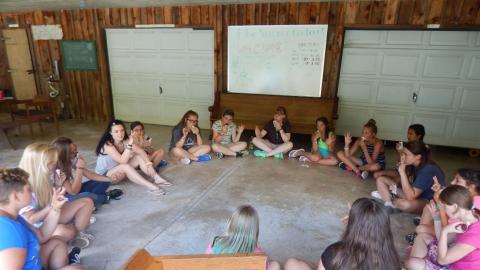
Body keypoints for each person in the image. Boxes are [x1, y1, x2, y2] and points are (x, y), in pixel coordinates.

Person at [0, 168, 86, 269]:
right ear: (15, 196)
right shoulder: (8, 230)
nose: (32, 192)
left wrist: (55, 208)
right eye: (29, 189)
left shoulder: (12, 216)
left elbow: (42, 235)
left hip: (33, 262)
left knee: (57, 243)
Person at [284, 198, 401, 270]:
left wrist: (353, 222)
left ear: (353, 224)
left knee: (292, 264)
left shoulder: (335, 252)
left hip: (334, 261)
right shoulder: (392, 258)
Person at [18, 143, 94, 247]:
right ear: (38, 165)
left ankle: (79, 233)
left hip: (50, 214)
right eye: (51, 163)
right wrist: (52, 207)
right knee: (66, 232)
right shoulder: (22, 187)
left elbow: (51, 199)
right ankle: (71, 229)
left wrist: (58, 185)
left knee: (87, 201)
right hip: (38, 226)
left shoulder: (45, 175)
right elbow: (30, 219)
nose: (55, 165)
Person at [406, 185, 480, 270]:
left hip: (454, 266)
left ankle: (421, 263)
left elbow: (442, 260)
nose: (444, 210)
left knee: (411, 263)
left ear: (455, 207)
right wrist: (436, 217)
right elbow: (444, 239)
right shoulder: (470, 217)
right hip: (451, 256)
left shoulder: (474, 234)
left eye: (445, 207)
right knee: (421, 237)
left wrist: (445, 231)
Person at [95, 120, 171, 196]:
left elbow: (141, 151)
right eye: (116, 131)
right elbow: (123, 161)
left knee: (138, 157)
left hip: (118, 169)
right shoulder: (107, 145)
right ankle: (151, 186)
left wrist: (149, 165)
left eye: (122, 130)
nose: (120, 134)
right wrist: (130, 144)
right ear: (110, 133)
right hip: (105, 177)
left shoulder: (125, 140)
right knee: (125, 166)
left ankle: (156, 178)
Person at [372, 141, 445, 214]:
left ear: (418, 157)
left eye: (406, 154)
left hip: (428, 200)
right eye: (403, 153)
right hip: (413, 194)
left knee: (404, 204)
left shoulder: (428, 169)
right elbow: (401, 182)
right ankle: (389, 204)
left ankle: (391, 198)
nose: (403, 157)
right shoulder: (413, 163)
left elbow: (411, 197)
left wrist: (402, 172)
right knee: (380, 180)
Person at [52, 137, 123, 208]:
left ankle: (93, 203)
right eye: (73, 152)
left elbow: (90, 175)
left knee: (104, 180)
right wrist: (79, 168)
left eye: (76, 150)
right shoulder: (58, 171)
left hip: (72, 192)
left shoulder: (70, 160)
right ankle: (105, 197)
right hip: (63, 199)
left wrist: (110, 179)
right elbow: (73, 192)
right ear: (64, 155)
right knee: (88, 195)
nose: (76, 154)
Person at [205, 205, 280, 270]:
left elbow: (206, 263)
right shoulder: (257, 254)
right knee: (275, 265)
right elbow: (263, 266)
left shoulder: (216, 243)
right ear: (254, 231)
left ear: (231, 223)